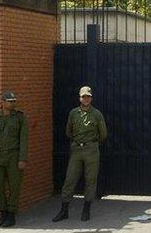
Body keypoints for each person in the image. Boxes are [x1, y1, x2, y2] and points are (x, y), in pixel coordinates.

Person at [52, 86, 107, 222]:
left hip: (91, 150)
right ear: (79, 98)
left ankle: (86, 210)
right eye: (83, 97)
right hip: (76, 149)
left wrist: (92, 143)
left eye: (88, 96)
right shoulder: (73, 113)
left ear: (91, 98)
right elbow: (68, 131)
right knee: (70, 179)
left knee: (90, 180)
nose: (86, 99)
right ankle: (64, 210)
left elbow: (103, 134)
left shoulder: (97, 114)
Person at [0, 91, 28, 227]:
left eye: (13, 101)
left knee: (14, 186)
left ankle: (11, 214)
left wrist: (22, 158)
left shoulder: (20, 118)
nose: (12, 103)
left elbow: (24, 139)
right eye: (10, 101)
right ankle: (3, 212)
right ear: (2, 102)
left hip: (14, 156)